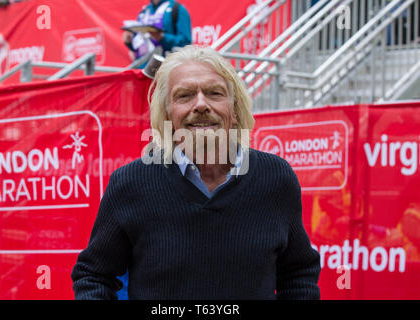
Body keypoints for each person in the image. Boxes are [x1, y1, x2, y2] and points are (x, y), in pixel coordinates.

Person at [71, 45, 321, 300]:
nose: (201, 105)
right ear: (167, 113)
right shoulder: (130, 183)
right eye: (185, 96)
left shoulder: (276, 179)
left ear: (234, 110)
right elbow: (94, 276)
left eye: (214, 93)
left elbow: (298, 274)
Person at [122, 0, 192, 66]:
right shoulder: (144, 11)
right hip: (142, 68)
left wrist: (162, 37)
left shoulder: (177, 8)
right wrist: (129, 42)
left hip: (165, 66)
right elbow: (139, 46)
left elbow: (185, 42)